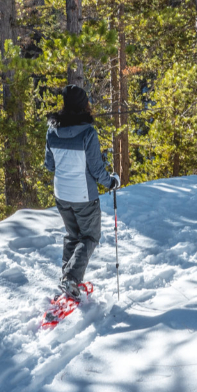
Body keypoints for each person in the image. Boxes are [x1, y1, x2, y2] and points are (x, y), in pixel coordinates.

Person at [44, 85, 119, 301]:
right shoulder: (88, 132)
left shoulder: (52, 131)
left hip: (61, 194)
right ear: (83, 105)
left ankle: (67, 278)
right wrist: (111, 182)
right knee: (89, 236)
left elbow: (50, 165)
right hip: (84, 196)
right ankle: (71, 279)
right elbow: (96, 170)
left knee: (72, 236)